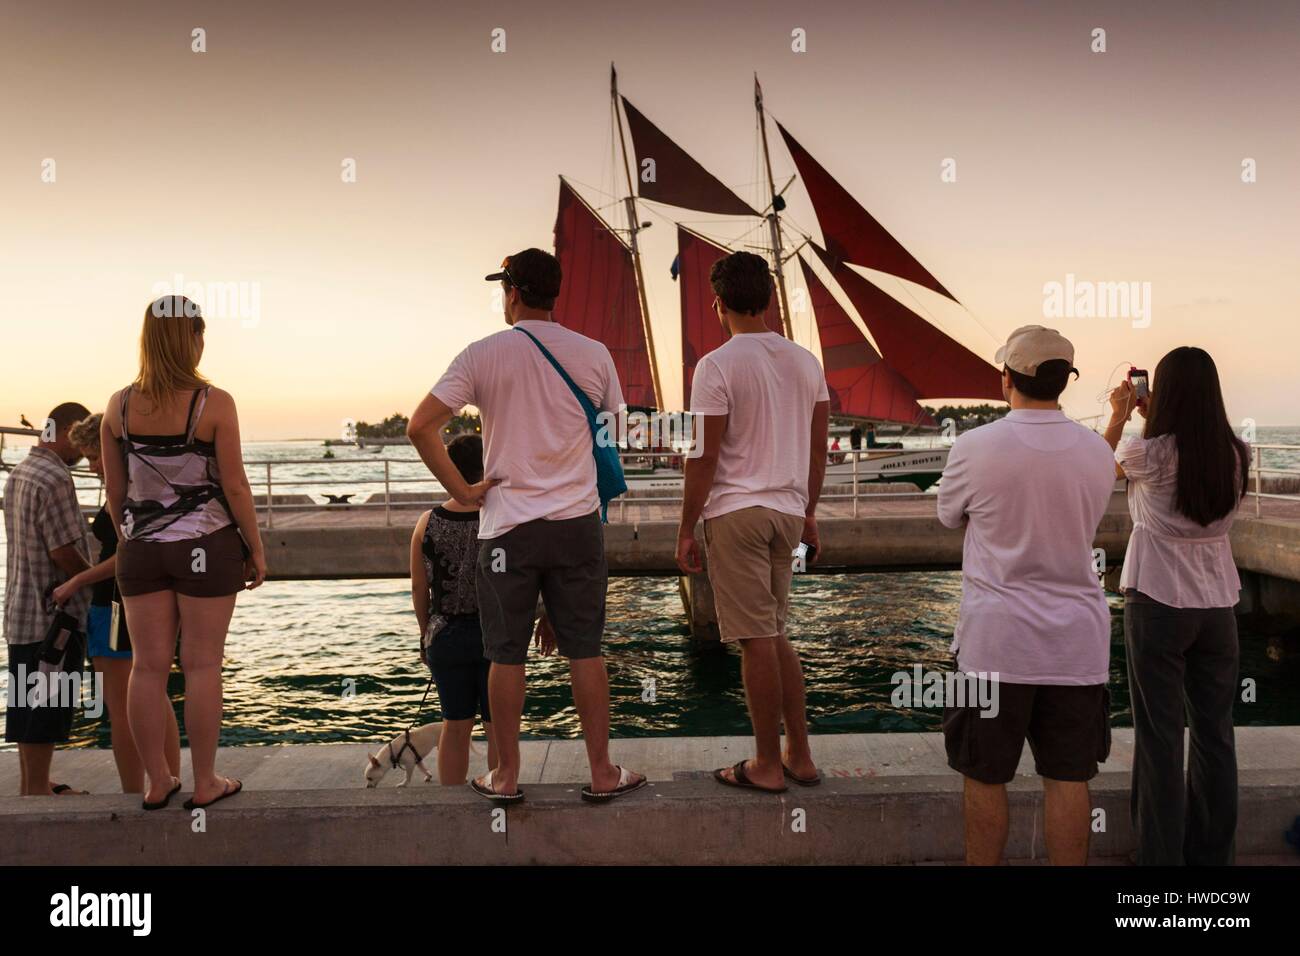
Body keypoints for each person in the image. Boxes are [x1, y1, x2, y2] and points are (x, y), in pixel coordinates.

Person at [407, 248, 646, 804]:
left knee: (506, 653)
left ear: (511, 292)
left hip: (506, 529)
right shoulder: (594, 354)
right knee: (585, 650)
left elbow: (421, 426)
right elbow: (614, 435)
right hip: (576, 524)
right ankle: (602, 772)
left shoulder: (482, 354)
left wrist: (463, 491)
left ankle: (506, 777)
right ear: (554, 293)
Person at [937, 325, 1115, 865]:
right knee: (1068, 778)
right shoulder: (1097, 452)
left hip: (995, 644)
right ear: (1065, 381)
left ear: (1006, 379)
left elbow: (949, 516)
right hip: (1078, 645)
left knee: (984, 776)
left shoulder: (973, 446)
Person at [100, 295, 266, 811]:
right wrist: (255, 549)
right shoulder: (214, 403)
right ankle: (205, 781)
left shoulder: (118, 406)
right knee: (201, 666)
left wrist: (134, 539)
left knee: (147, 668)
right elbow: (235, 486)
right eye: (200, 332)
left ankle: (156, 781)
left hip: (141, 550)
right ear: (191, 337)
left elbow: (114, 494)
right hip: (206, 545)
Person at [676, 250, 830, 794]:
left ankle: (768, 764)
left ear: (719, 304)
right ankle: (800, 756)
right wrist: (808, 513)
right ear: (767, 299)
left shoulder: (716, 366)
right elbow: (817, 453)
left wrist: (686, 527)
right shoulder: (806, 363)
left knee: (755, 639)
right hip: (788, 513)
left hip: (737, 514)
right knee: (774, 632)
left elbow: (704, 458)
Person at [1105, 348, 1249, 865]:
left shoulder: (1150, 451)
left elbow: (1097, 470)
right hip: (1217, 607)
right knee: (1216, 735)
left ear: (1160, 391)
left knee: (1160, 737)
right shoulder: (1236, 452)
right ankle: (1213, 859)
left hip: (1159, 601)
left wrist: (1122, 414)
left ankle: (1160, 861)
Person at [53, 414, 182, 793]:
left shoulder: (124, 492)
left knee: (124, 708)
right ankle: (168, 778)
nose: (90, 465)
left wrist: (77, 579)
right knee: (155, 697)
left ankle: (133, 792)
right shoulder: (143, 486)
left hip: (115, 604)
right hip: (140, 600)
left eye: (94, 456)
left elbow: (125, 554)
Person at [2, 402, 93, 795]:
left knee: (26, 707)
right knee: (46, 710)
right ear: (70, 430)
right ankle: (37, 795)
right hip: (53, 620)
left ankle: (32, 786)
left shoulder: (20, 472)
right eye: (82, 436)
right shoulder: (55, 478)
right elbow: (61, 551)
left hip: (20, 612)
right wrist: (90, 577)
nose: (84, 450)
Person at [409, 433, 508, 784]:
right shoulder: (501, 517)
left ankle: (450, 801)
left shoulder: (427, 522)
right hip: (494, 633)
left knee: (455, 725)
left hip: (445, 634)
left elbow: (420, 587)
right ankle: (500, 785)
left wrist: (425, 635)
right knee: (498, 726)